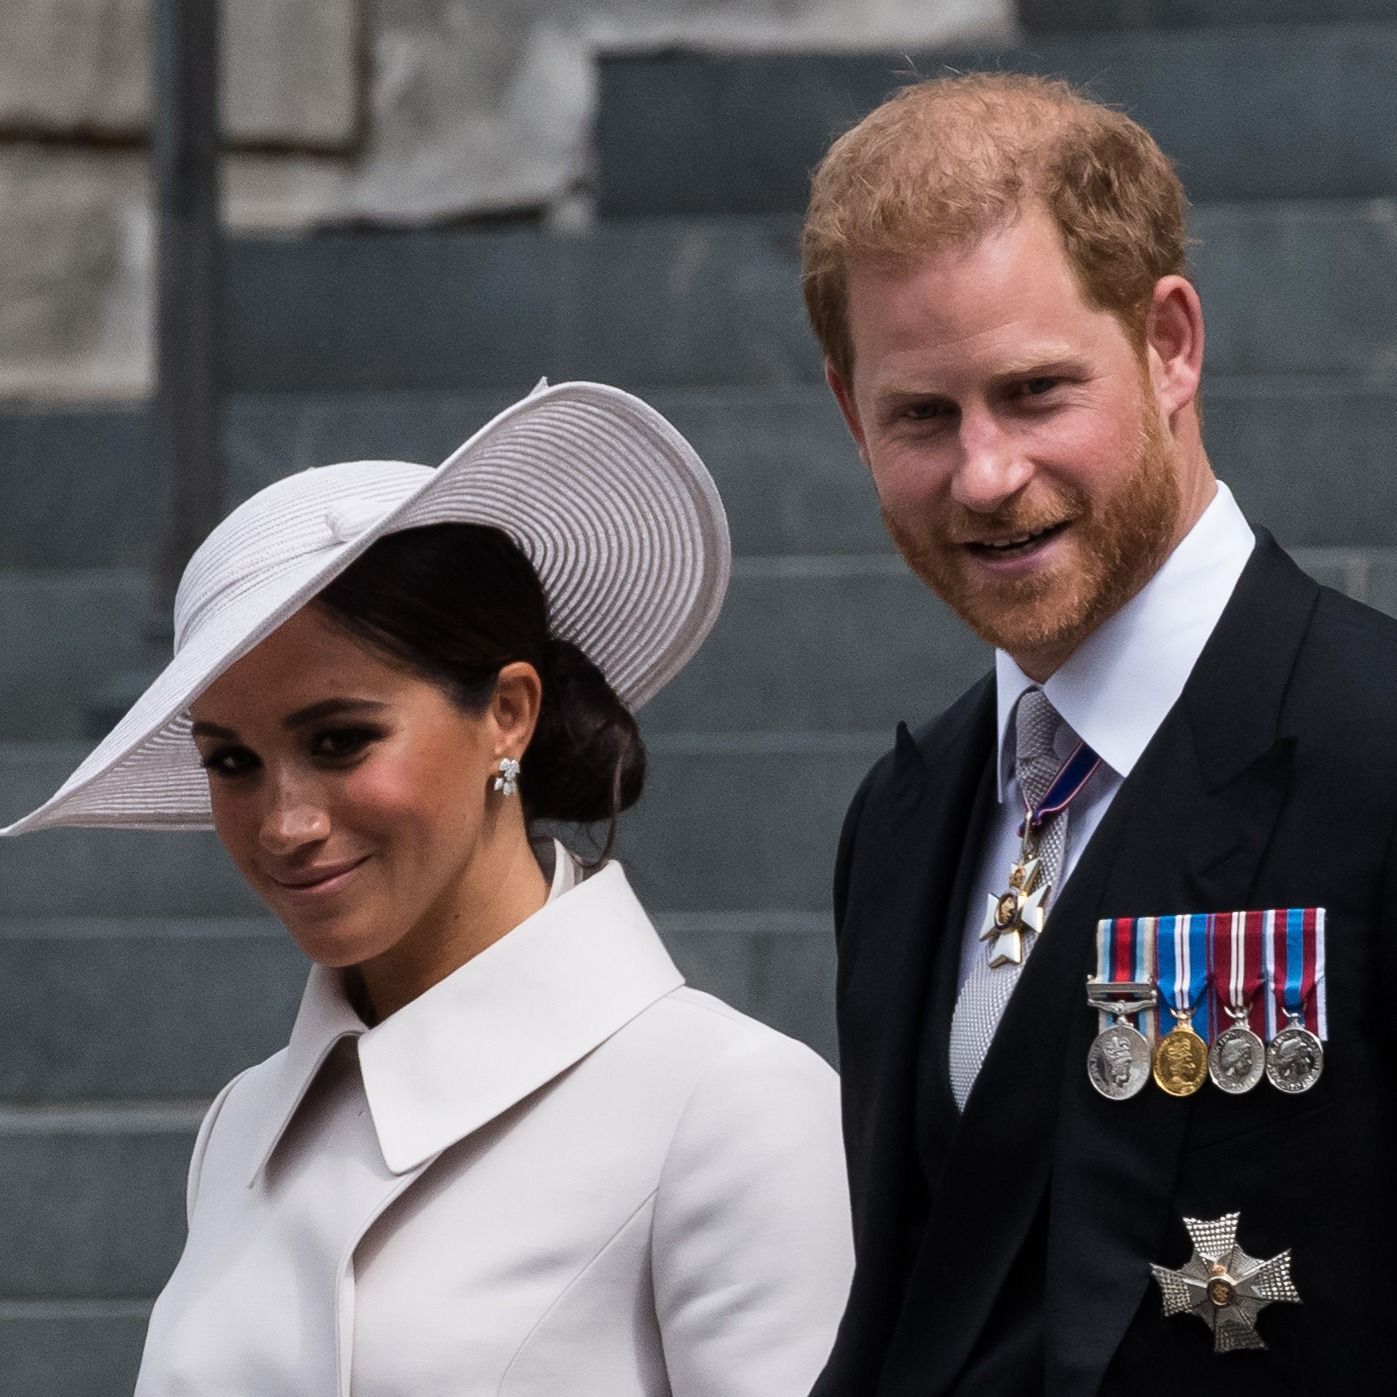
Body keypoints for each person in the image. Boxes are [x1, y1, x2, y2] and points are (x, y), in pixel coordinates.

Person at [2, 382, 853, 1395]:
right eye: (231, 762)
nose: (284, 822)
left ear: (507, 712)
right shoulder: (242, 1124)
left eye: (340, 740)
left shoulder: (730, 1105)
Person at [799, 73, 1394, 1395]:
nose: (985, 474)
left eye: (1033, 391)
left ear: (1168, 343)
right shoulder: (897, 821)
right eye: (920, 414)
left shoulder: (1374, 755)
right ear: (849, 413)